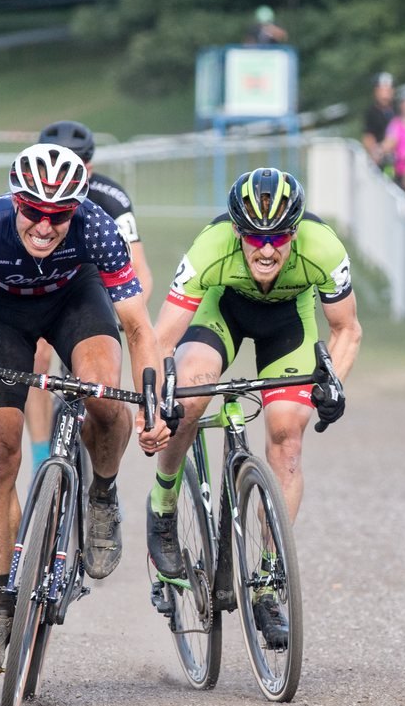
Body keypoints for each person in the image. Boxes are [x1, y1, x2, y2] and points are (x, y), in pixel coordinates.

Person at [0, 144, 169, 677]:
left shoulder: (97, 228)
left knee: (105, 397)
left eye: (58, 214)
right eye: (33, 212)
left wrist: (153, 403)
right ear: (15, 202)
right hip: (2, 315)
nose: (44, 225)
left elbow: (137, 327)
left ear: (75, 210)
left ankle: (102, 494)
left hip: (75, 301)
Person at [149, 167, 360, 647]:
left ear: (296, 231)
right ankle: (162, 508)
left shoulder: (323, 247)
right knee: (191, 394)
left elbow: (347, 329)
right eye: (254, 238)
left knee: (287, 439)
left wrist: (335, 385)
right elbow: (162, 337)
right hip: (220, 313)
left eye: (280, 238)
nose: (267, 250)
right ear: (237, 232)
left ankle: (267, 579)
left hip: (288, 324)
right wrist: (161, 399)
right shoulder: (211, 246)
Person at [23, 120, 155, 470]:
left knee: (99, 376)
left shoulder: (110, 198)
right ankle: (40, 457)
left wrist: (122, 316)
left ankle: (101, 477)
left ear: (89, 168)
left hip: (92, 285)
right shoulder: (28, 198)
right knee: (36, 355)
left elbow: (139, 270)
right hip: (41, 285)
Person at [362, 72, 397, 172]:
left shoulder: (398, 109)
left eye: (388, 89)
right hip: (382, 159)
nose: (385, 93)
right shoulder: (372, 112)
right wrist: (375, 153)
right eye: (382, 89)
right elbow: (368, 136)